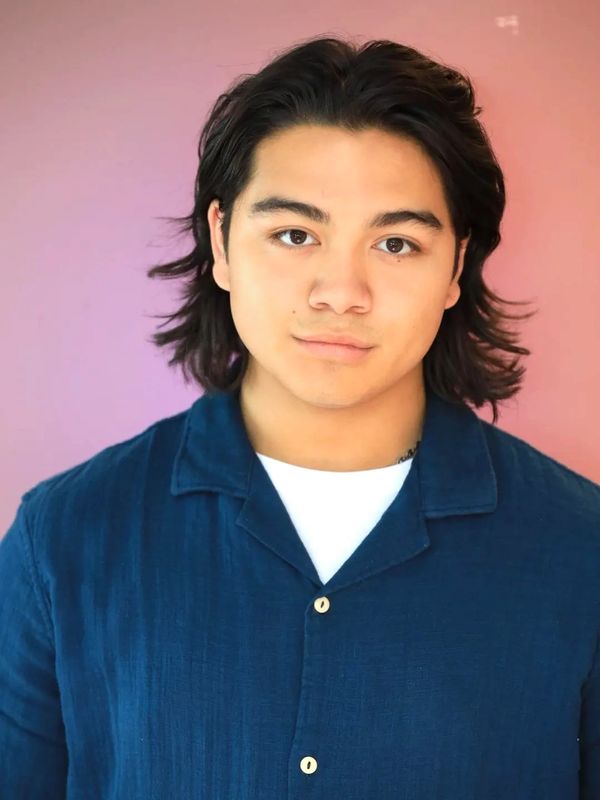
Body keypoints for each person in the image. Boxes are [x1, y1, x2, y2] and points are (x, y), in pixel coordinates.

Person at [1, 34, 599, 799]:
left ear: (455, 266)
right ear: (220, 241)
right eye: (294, 234)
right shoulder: (65, 540)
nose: (340, 291)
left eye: (396, 242)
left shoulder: (581, 552)